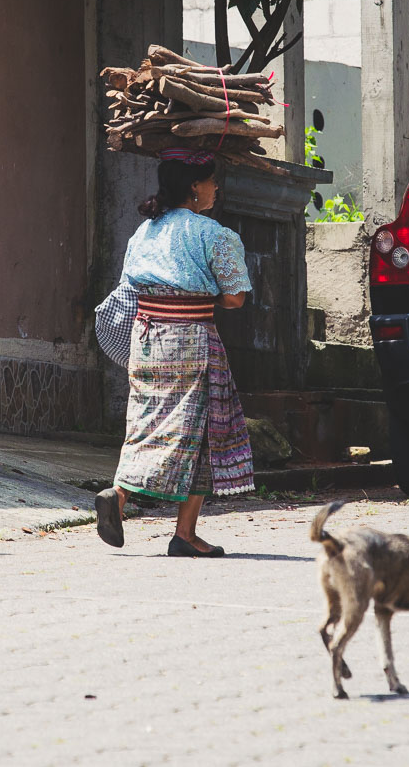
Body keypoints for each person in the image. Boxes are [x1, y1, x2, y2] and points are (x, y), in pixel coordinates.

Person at [95, 149, 254, 557]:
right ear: (194, 188)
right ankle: (184, 533)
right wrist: (202, 293)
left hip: (146, 341)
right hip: (192, 340)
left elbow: (129, 286)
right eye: (211, 181)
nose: (215, 187)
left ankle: (119, 494)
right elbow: (235, 298)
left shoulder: (142, 233)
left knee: (145, 422)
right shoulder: (214, 235)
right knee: (199, 432)